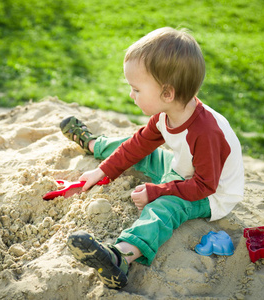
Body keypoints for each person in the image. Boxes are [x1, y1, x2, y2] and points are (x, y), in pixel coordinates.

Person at [60, 27, 244, 289]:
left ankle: (122, 256)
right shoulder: (166, 114)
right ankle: (93, 144)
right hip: (184, 171)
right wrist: (101, 172)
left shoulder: (206, 132)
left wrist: (157, 191)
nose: (131, 95)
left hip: (211, 194)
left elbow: (205, 186)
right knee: (131, 145)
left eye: (136, 89)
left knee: (164, 207)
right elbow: (137, 146)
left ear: (167, 93)